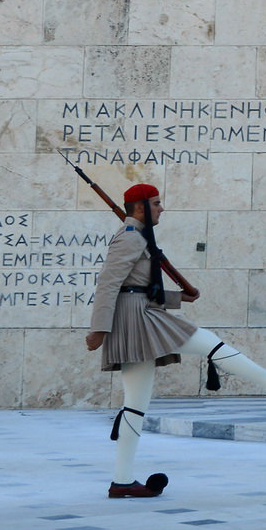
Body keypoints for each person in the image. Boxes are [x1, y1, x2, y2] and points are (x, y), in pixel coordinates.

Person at [84, 182, 197, 498]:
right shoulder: (131, 238)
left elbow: (142, 287)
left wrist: (180, 298)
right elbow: (110, 285)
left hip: (141, 315)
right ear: (141, 207)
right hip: (136, 322)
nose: (162, 208)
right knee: (205, 342)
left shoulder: (139, 238)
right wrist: (99, 330)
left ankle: (122, 481)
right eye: (157, 203)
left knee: (134, 406)